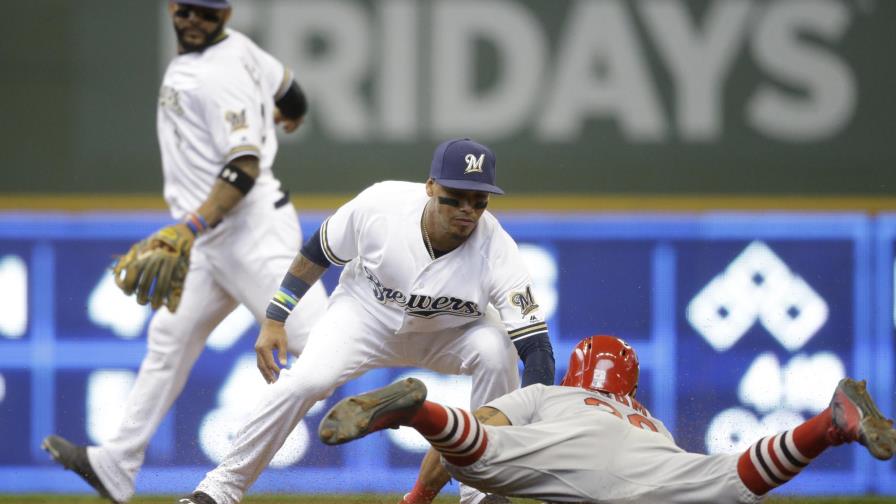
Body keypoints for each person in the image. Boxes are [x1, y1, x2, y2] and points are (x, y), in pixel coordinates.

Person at [41, 1, 328, 503]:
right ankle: (116, 463)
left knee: (324, 345)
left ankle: (408, 408)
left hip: (248, 232)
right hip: (213, 238)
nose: (195, 19)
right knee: (169, 340)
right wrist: (292, 114)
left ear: (226, 14)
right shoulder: (240, 51)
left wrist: (191, 227)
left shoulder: (219, 74)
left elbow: (243, 167)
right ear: (173, 6)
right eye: (188, 9)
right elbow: (290, 90)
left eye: (207, 13)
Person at [177, 137, 557, 504]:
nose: (467, 209)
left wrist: (530, 418)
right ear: (430, 186)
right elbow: (318, 251)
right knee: (306, 381)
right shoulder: (381, 205)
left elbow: (536, 346)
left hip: (452, 333)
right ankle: (217, 491)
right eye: (455, 196)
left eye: (478, 200)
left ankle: (481, 493)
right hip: (364, 316)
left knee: (496, 351)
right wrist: (276, 317)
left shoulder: (498, 250)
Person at [320, 335, 896, 504]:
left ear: (577, 373)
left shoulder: (552, 394)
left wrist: (420, 496)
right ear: (630, 384)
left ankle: (417, 409)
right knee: (734, 479)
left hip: (567, 451)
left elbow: (483, 425)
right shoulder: (649, 421)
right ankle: (829, 424)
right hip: (654, 466)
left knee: (480, 457)